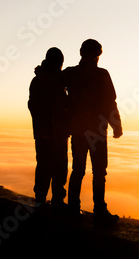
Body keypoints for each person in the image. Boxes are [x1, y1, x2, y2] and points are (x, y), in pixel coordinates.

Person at [63, 39, 122, 224]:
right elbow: (110, 103)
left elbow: (53, 81)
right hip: (97, 132)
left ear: (81, 53)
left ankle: (73, 209)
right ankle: (99, 211)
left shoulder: (70, 74)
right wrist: (117, 126)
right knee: (99, 172)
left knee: (78, 170)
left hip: (78, 130)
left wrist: (42, 70)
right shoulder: (102, 75)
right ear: (97, 56)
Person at [28, 47, 69, 207]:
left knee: (44, 165)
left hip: (44, 131)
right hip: (55, 132)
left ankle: (40, 199)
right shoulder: (52, 81)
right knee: (58, 166)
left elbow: (32, 105)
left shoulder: (38, 80)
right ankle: (56, 200)